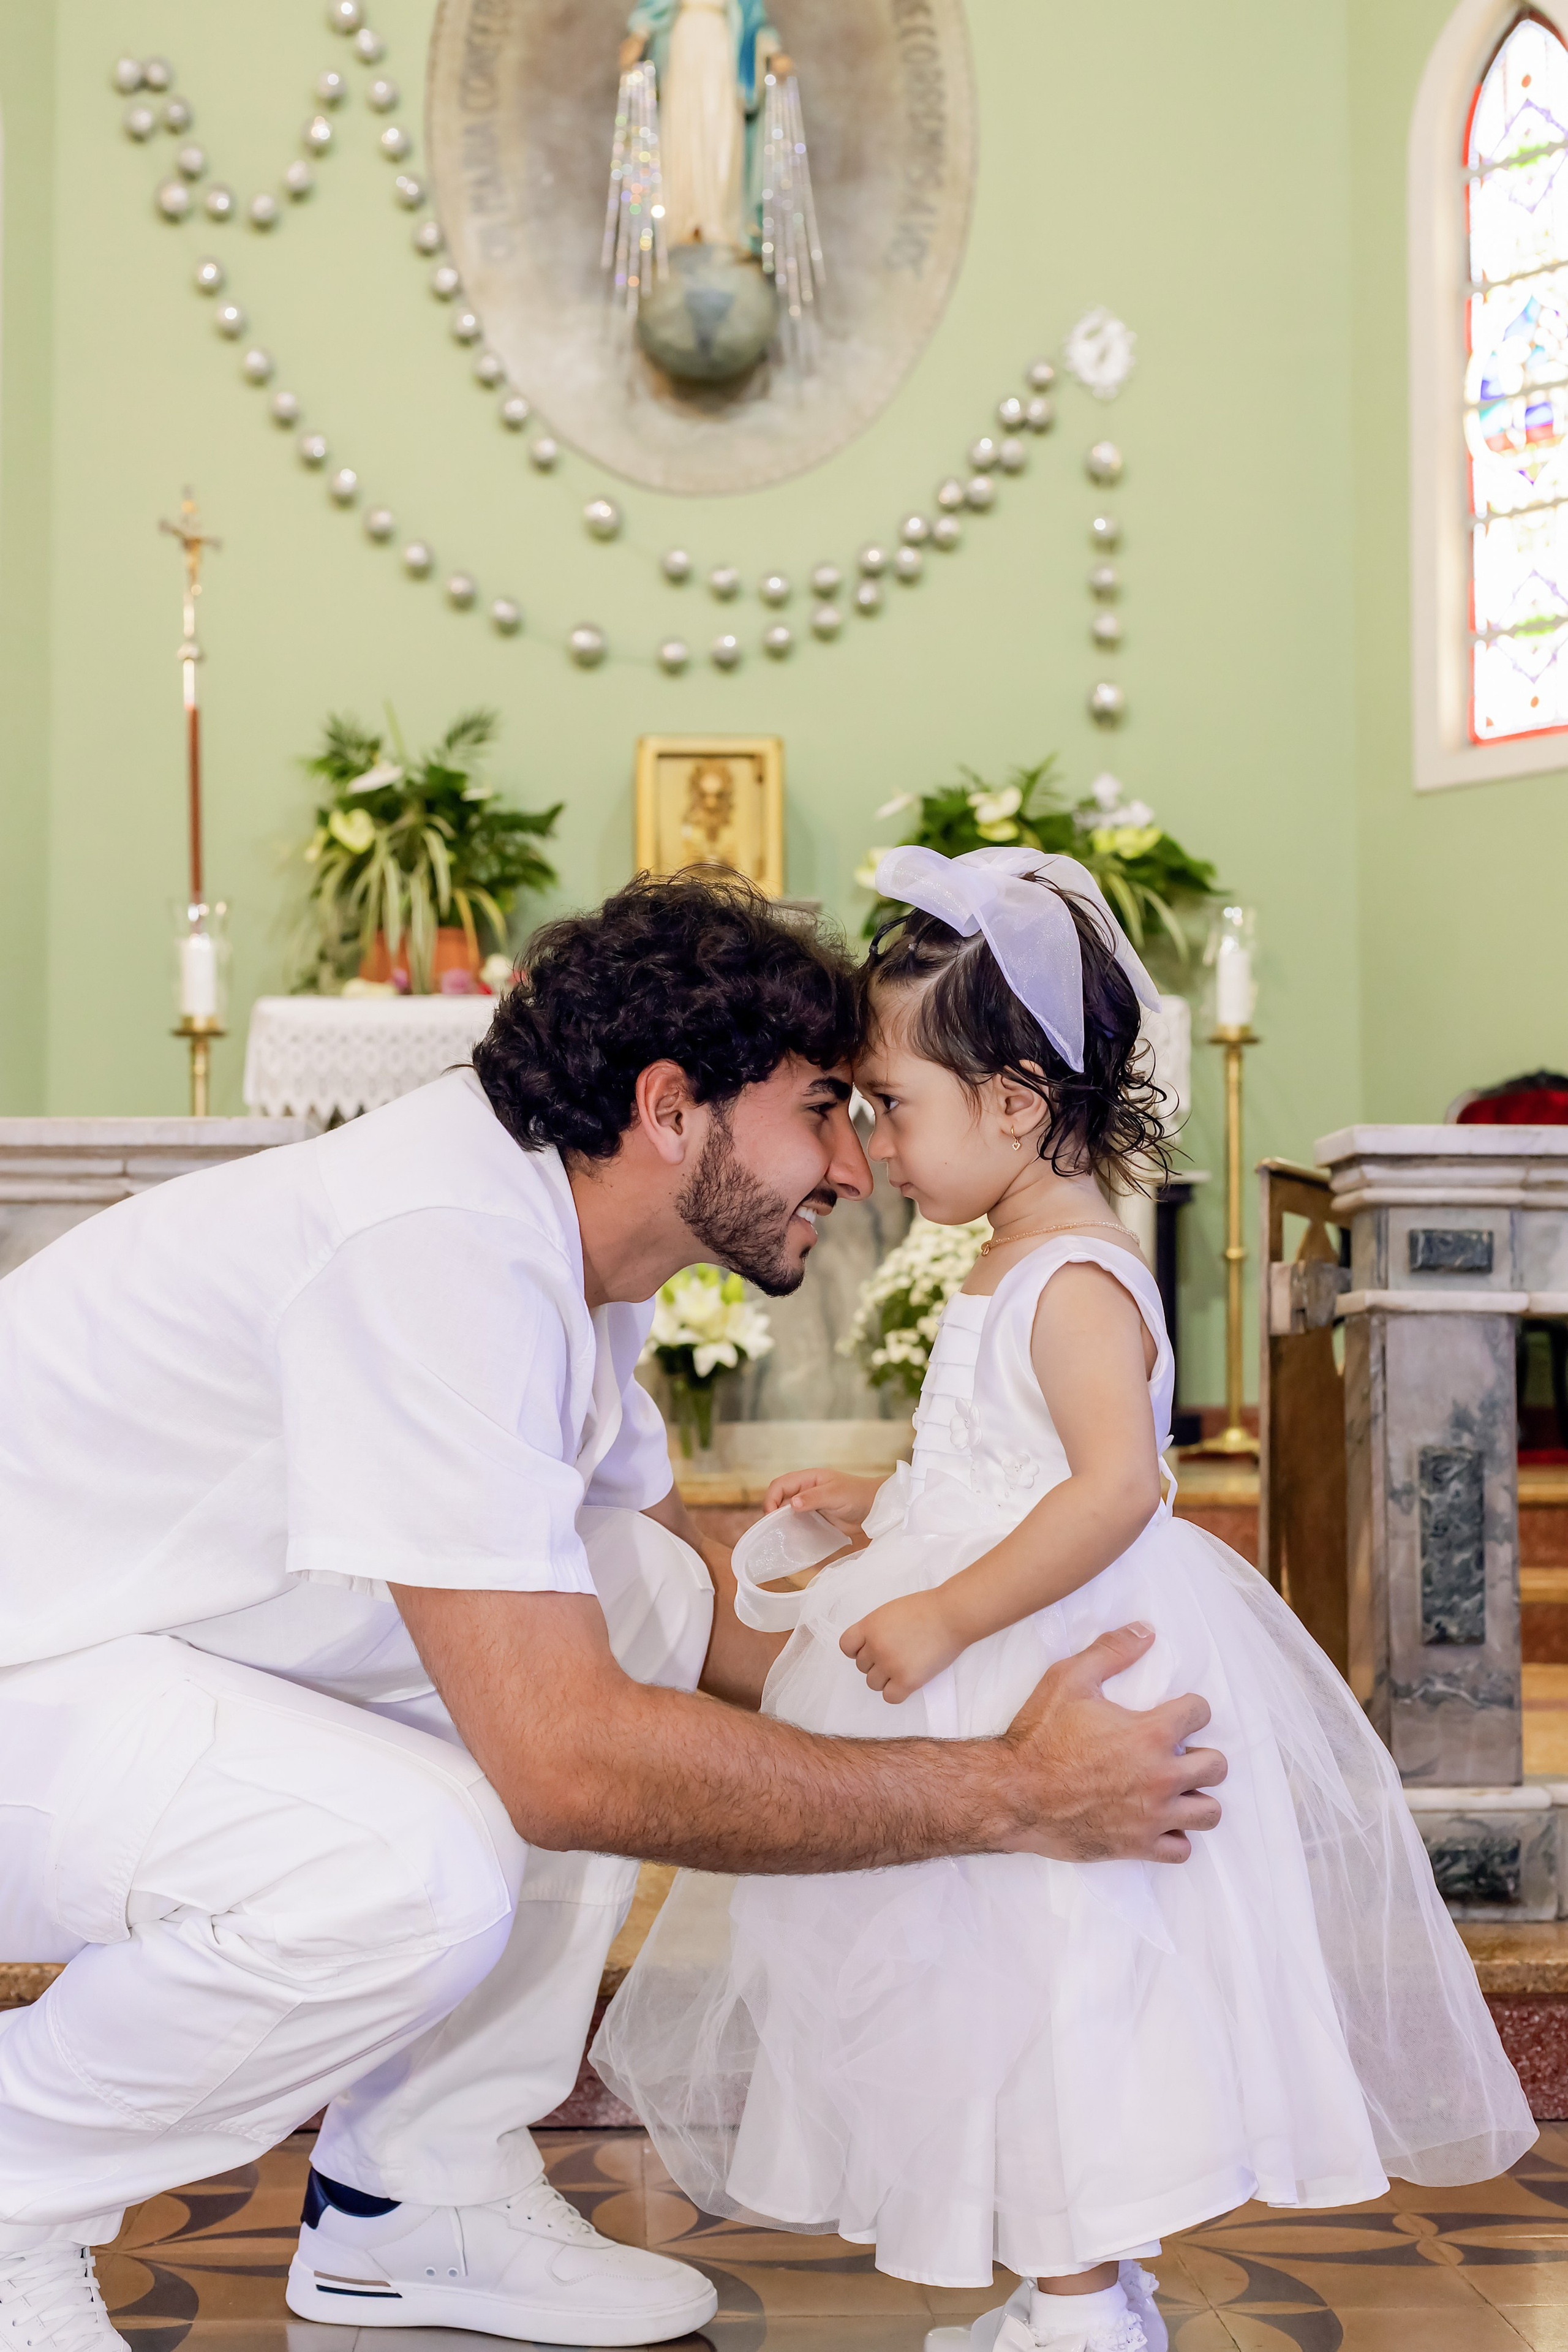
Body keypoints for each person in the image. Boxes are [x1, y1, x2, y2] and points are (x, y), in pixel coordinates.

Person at [0, 873, 1226, 2352]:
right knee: (417, 1864)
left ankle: (417, 2193)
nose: (854, 1161)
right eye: (822, 1108)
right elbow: (568, 1762)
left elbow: (687, 1616)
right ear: (670, 1108)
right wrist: (1011, 1793)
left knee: (627, 1588)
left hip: (116, 1657)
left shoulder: (573, 1240)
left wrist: (970, 1657)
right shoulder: (438, 1248)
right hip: (33, 1687)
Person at [594, 848, 1536, 2352]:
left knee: (1059, 1983)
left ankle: (1086, 2307)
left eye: (892, 1105)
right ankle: (1067, 2287)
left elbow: (1114, 1489)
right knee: (993, 1990)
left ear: (1016, 1105)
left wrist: (952, 1610)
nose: (875, 1147)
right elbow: (1000, 1459)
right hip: (998, 1621)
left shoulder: (1076, 1277)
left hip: (1042, 1659)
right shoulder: (1009, 1258)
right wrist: (878, 1503)